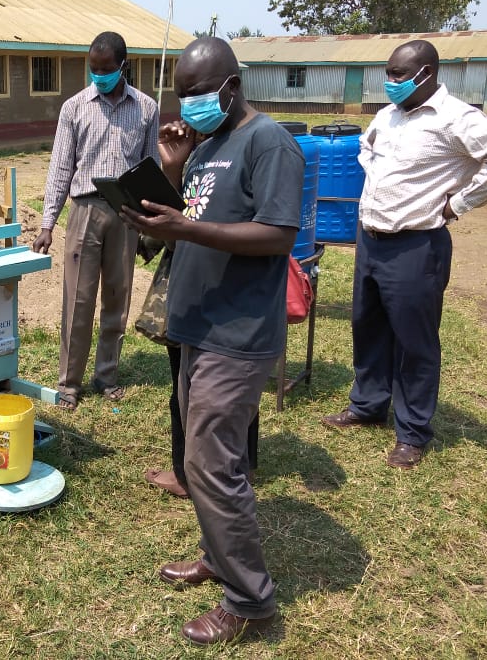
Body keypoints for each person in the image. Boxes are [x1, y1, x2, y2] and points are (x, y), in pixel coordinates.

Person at [122, 37, 304, 645]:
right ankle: (217, 554)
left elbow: (278, 234)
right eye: (183, 93)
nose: (191, 104)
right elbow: (187, 228)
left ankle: (249, 601)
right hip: (196, 327)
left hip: (238, 332)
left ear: (232, 84)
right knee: (203, 462)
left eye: (201, 92)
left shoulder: (268, 143)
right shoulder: (205, 148)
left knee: (211, 462)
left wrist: (186, 224)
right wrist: (171, 175)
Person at [321, 39, 487, 469]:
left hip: (416, 245)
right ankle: (367, 405)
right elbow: (366, 146)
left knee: (414, 342)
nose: (391, 82)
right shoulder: (388, 115)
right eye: (389, 73)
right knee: (368, 327)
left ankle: (412, 432)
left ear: (427, 73)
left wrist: (459, 203)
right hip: (372, 240)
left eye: (399, 74)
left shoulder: (457, 119)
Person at [33, 31, 159, 411]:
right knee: (79, 300)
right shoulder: (74, 108)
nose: (99, 76)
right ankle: (69, 383)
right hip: (85, 211)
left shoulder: (147, 109)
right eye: (93, 69)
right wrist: (47, 224)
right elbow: (60, 168)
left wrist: (149, 221)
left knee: (117, 299)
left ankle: (107, 375)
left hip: (125, 214)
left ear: (124, 66)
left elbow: (149, 166)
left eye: (106, 70)